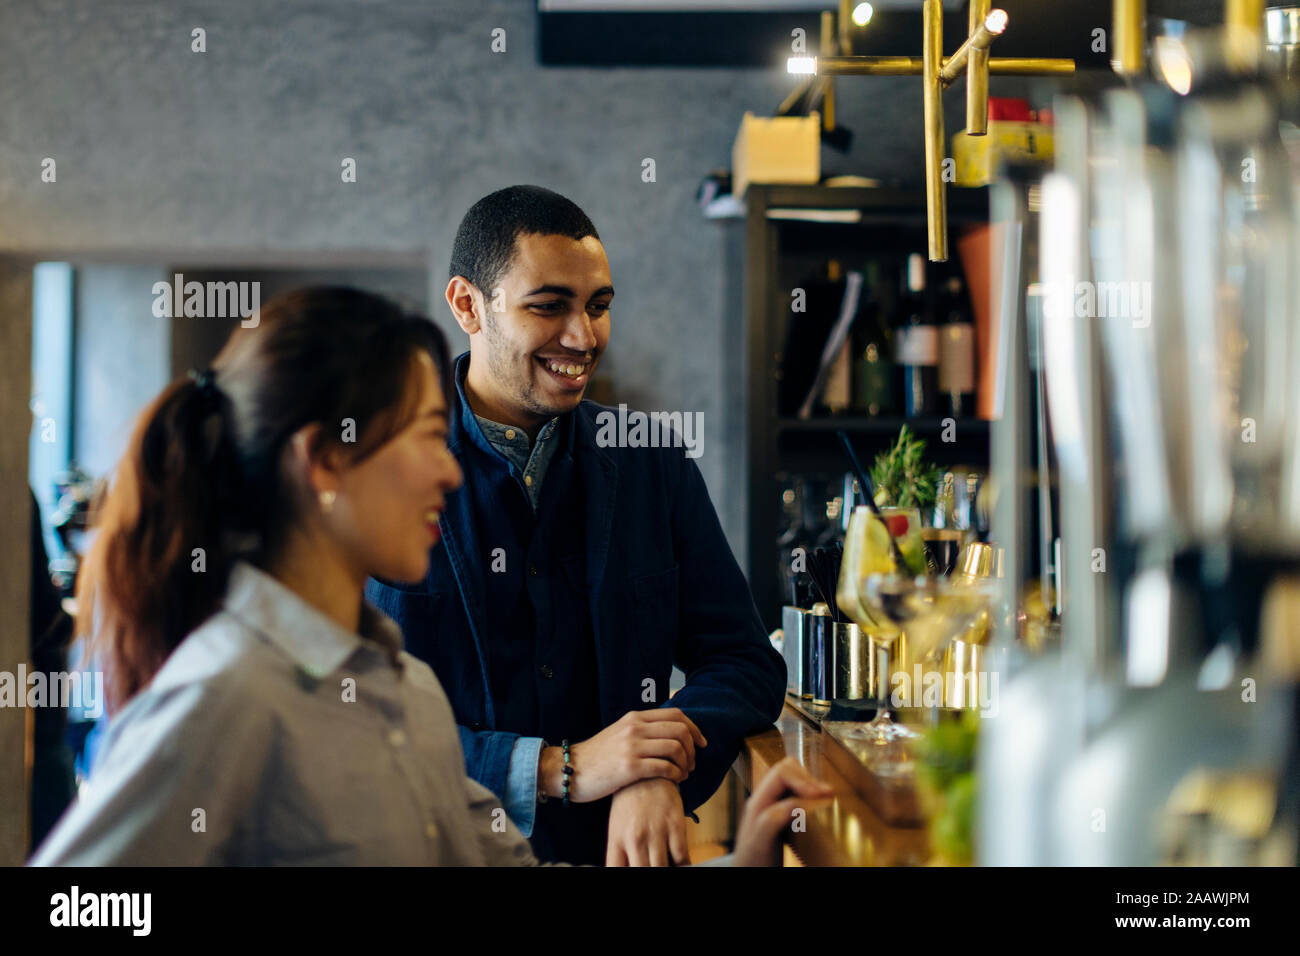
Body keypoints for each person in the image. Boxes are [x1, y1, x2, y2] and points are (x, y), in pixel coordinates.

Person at [30, 286, 828, 866]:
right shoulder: (226, 694)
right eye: (423, 436)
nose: (449, 474)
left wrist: (741, 864)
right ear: (325, 462)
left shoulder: (397, 688)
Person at [366, 186, 788, 866]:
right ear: (467, 305)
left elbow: (743, 661)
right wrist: (563, 766)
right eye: (549, 305)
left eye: (598, 307)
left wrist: (654, 766)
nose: (583, 337)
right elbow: (354, 723)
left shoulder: (653, 464)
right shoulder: (378, 471)